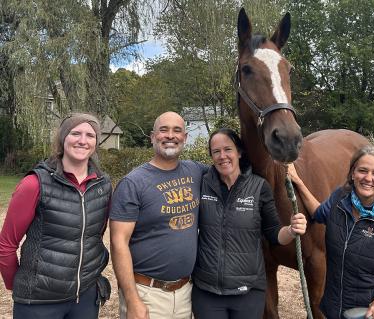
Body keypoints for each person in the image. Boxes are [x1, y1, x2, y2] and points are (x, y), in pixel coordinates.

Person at [0, 113, 112, 319]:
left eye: (90, 135)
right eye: (75, 133)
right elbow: (6, 245)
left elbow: (95, 236)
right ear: (63, 138)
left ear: (96, 142)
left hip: (85, 298)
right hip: (39, 302)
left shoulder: (103, 185)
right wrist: (17, 285)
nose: (82, 140)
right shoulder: (34, 184)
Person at [287, 145, 374, 319]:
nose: (368, 178)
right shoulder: (339, 199)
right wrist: (298, 181)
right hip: (333, 306)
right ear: (353, 174)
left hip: (369, 311)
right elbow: (319, 213)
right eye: (362, 171)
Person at [192, 128, 307, 319]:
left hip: (248, 292)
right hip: (207, 292)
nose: (222, 156)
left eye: (227, 149)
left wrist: (292, 230)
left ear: (239, 152)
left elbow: (273, 233)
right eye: (216, 152)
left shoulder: (259, 187)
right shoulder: (202, 184)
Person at [109, 111, 208, 319]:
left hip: (185, 292)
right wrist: (132, 299)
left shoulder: (197, 171)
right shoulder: (133, 183)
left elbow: (232, 166)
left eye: (177, 130)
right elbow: (119, 243)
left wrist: (287, 166)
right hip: (147, 294)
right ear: (153, 137)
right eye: (163, 130)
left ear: (185, 138)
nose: (170, 135)